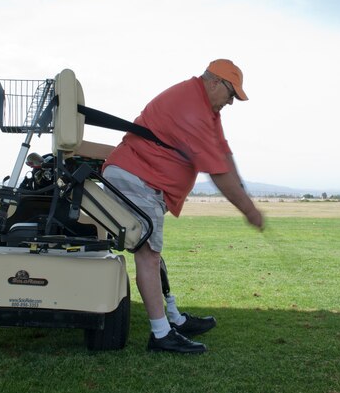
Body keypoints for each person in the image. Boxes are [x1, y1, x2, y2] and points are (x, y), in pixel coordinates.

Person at [99, 58, 265, 354]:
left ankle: (173, 318)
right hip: (137, 179)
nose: (231, 102)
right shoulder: (193, 107)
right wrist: (249, 211)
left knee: (153, 253)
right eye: (231, 94)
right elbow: (218, 172)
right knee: (148, 255)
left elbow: (224, 155)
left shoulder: (206, 107)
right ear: (215, 82)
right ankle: (161, 335)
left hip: (144, 181)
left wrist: (245, 195)